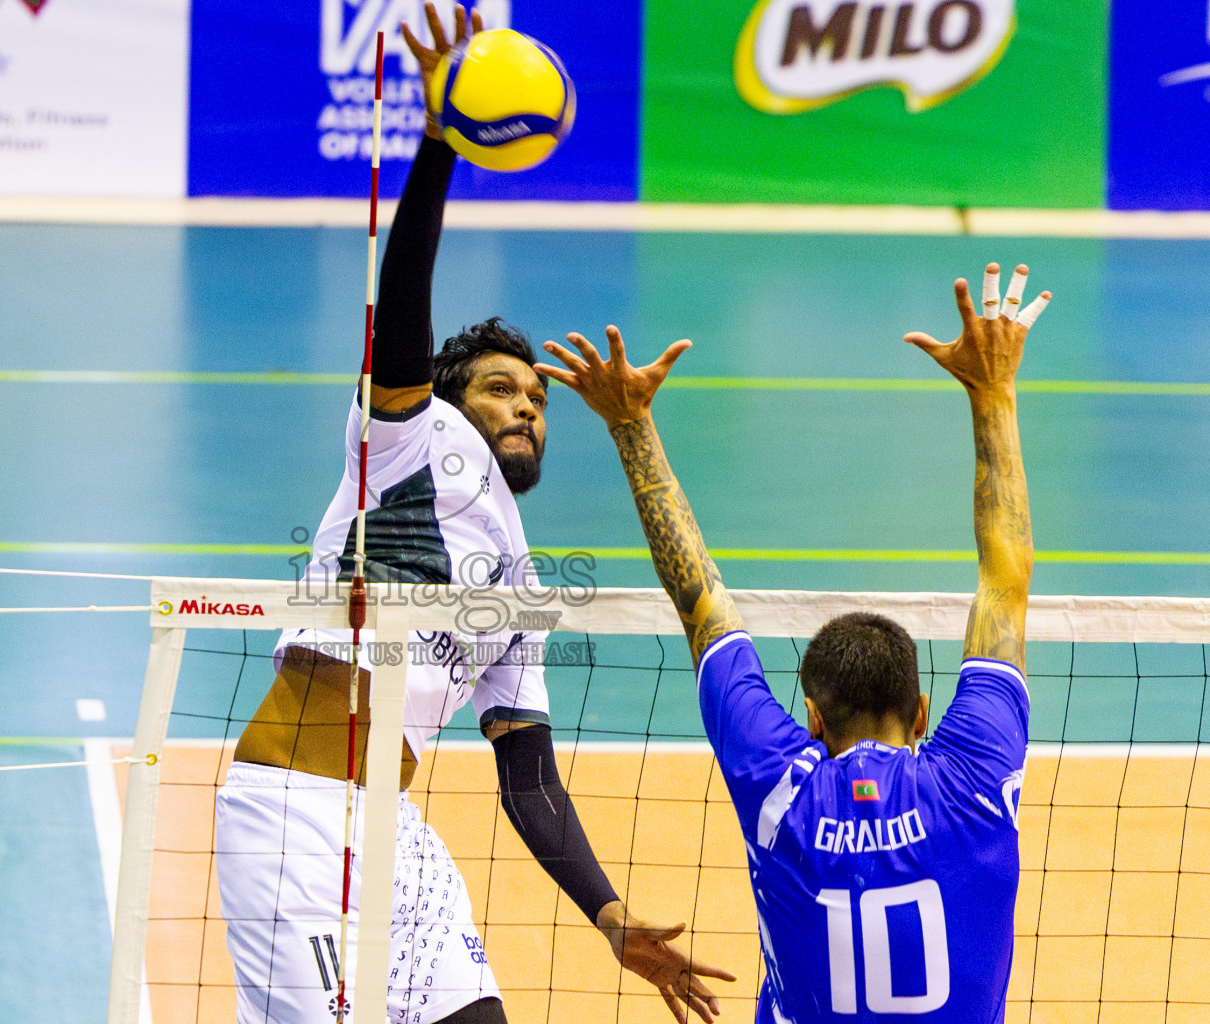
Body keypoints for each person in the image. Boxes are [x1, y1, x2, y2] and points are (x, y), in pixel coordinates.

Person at [214, 5, 735, 1023]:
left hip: (394, 830)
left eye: (536, 400)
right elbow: (404, 306)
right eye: (502, 388)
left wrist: (611, 915)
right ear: (451, 397)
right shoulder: (410, 440)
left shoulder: (519, 582)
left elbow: (527, 774)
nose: (526, 407)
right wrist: (437, 146)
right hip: (297, 819)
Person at [537, 264, 1049, 1023]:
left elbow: (700, 601)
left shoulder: (782, 787)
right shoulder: (973, 776)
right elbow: (1006, 576)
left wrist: (630, 425)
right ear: (922, 713)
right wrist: (994, 392)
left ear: (810, 717)